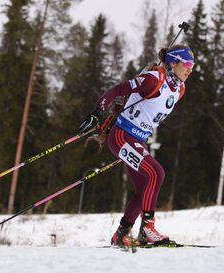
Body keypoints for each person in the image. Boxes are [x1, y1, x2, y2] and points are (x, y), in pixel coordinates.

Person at [78, 45, 195, 247]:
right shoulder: (153, 79)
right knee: (156, 173)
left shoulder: (180, 89)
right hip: (122, 136)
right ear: (173, 63)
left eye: (193, 66)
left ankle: (121, 234)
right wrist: (97, 112)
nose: (190, 69)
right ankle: (147, 228)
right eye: (186, 64)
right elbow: (117, 90)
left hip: (138, 140)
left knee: (144, 189)